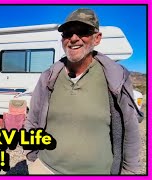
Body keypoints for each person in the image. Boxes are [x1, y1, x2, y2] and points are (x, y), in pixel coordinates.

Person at [24, 8, 143, 175]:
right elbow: (33, 120)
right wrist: (32, 156)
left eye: (83, 32)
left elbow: (130, 130)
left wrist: (130, 171)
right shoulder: (49, 77)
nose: (73, 38)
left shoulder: (115, 77)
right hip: (45, 169)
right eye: (67, 33)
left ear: (97, 38)